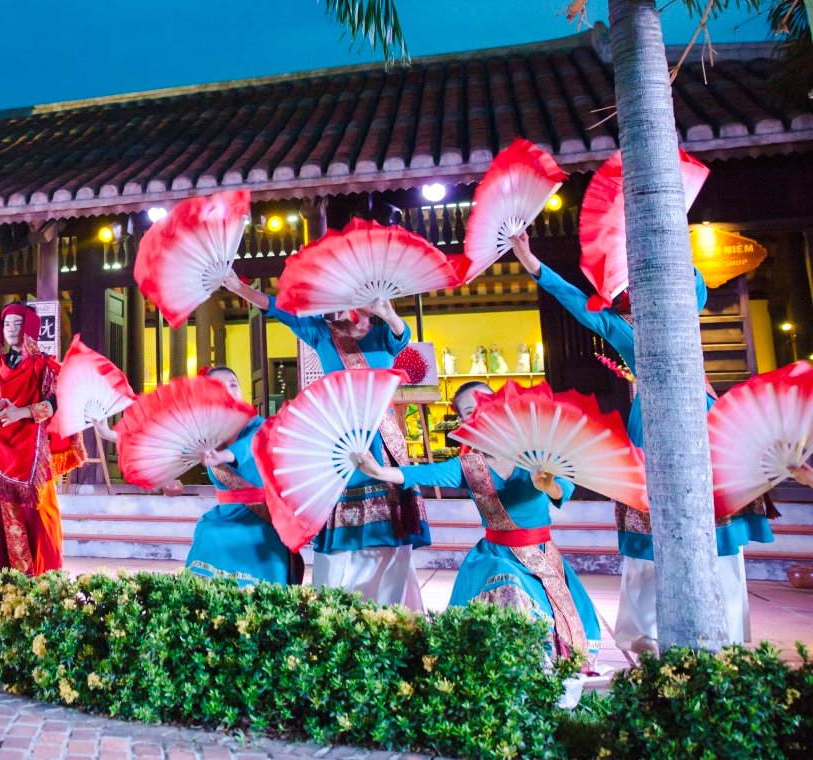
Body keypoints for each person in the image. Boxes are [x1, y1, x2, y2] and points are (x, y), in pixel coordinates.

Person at [508, 231, 772, 652]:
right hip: (651, 427)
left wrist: (664, 246)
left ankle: (728, 634)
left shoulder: (688, 318)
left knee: (719, 535)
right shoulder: (629, 331)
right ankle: (646, 632)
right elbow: (579, 306)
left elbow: (692, 281)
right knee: (649, 533)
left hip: (708, 426)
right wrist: (532, 263)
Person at [353, 381, 601, 663]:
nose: (483, 412)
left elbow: (563, 491)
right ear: (462, 421)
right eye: (472, 409)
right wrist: (379, 471)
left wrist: (548, 484)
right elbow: (422, 474)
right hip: (495, 556)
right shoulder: (469, 467)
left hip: (541, 557)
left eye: (490, 402)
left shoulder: (539, 454)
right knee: (503, 578)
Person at [220, 273, 429, 608]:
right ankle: (336, 609)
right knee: (340, 540)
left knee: (391, 536)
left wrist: (387, 311)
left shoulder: (383, 335)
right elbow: (280, 310)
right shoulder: (323, 332)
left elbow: (402, 338)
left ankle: (392, 610)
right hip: (341, 445)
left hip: (383, 444)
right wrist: (243, 289)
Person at [0, 302, 84, 581]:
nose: (12, 330)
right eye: (7, 324)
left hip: (30, 457)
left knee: (38, 520)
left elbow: (57, 403)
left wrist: (21, 412)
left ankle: (40, 579)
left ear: (29, 328)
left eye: (18, 324)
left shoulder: (44, 365)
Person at [185, 366, 304, 586]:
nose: (229, 390)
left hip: (260, 515)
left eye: (233, 385)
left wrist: (224, 455)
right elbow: (170, 448)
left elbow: (250, 445)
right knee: (207, 529)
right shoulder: (206, 434)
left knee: (238, 535)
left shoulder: (258, 426)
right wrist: (109, 434)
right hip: (225, 513)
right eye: (220, 387)